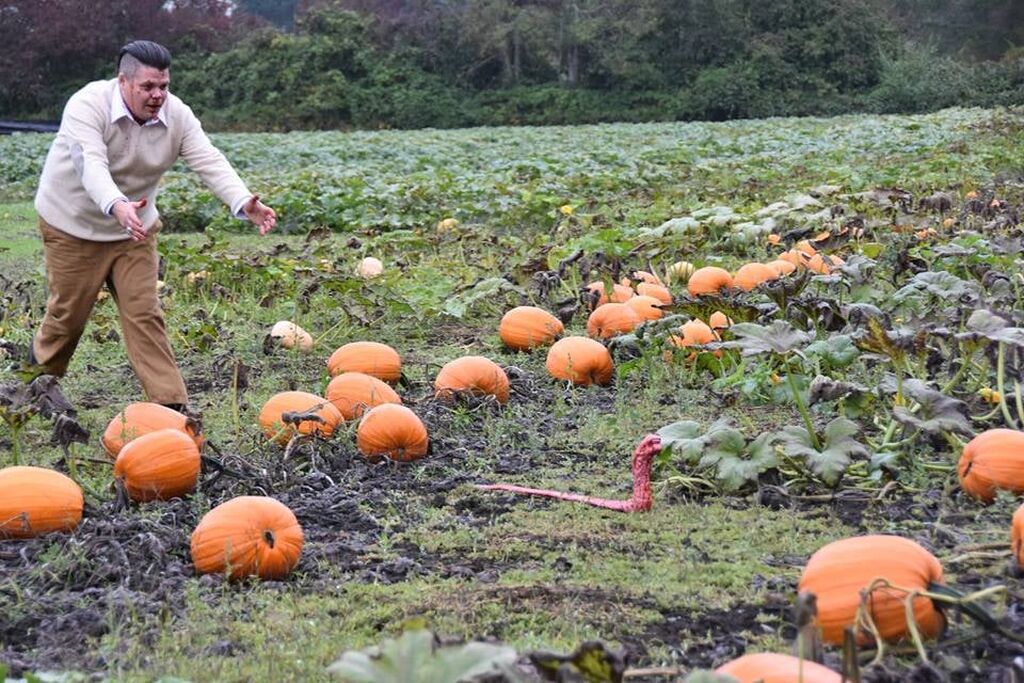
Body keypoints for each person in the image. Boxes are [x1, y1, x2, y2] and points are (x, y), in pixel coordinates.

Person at [30, 39, 276, 413]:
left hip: (135, 232)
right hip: (73, 226)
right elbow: (90, 164)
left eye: (163, 86)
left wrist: (243, 201)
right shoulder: (87, 105)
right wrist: (116, 204)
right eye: (147, 87)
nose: (158, 95)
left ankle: (171, 406)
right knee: (68, 318)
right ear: (123, 82)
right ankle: (32, 386)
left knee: (144, 312)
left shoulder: (177, 115)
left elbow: (208, 159)